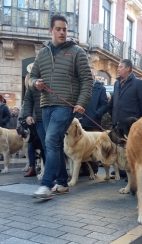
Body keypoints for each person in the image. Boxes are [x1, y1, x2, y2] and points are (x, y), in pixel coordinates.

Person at [28, 14, 93, 198]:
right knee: (53, 144)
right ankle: (62, 183)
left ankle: (46, 185)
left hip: (66, 106)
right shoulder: (42, 54)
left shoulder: (77, 52)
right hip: (45, 105)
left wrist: (81, 103)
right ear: (51, 31)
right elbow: (31, 78)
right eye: (58, 29)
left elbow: (87, 80)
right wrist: (35, 84)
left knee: (51, 141)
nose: (62, 32)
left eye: (65, 29)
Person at [108, 59, 142, 127]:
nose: (118, 69)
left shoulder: (138, 83)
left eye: (120, 67)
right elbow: (114, 102)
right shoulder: (116, 83)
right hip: (116, 124)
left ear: (128, 68)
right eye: (118, 67)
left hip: (130, 124)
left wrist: (136, 119)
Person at [23, 74, 46, 178]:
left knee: (52, 146)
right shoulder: (33, 82)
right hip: (38, 120)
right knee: (43, 148)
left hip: (53, 119)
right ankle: (40, 170)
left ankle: (55, 175)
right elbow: (27, 100)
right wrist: (28, 115)